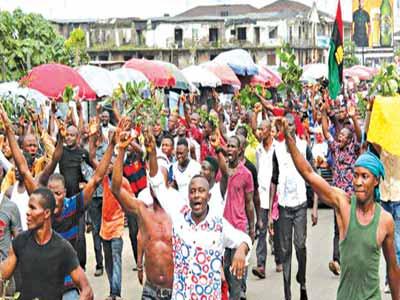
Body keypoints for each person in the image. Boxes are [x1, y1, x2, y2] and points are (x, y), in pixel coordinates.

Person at [283, 118, 400, 300]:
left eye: (365, 176)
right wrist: (289, 139)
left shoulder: (385, 220)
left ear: (376, 180)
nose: (358, 182)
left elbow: (393, 269)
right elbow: (309, 173)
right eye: (355, 175)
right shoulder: (343, 203)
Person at [111, 129, 174, 300]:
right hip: (150, 291)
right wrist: (121, 150)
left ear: (168, 183)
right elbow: (116, 188)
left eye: (159, 181)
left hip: (177, 290)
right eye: (153, 182)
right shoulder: (143, 209)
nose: (155, 185)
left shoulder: (179, 212)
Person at [0, 187, 93, 300]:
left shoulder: (63, 248)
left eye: (33, 208)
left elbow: (87, 290)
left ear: (46, 213)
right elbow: (2, 275)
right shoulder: (20, 242)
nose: (27, 212)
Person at [272, 115, 318, 300]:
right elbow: (274, 180)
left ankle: (303, 281)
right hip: (283, 206)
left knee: (300, 245)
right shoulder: (277, 150)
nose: (288, 127)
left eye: (291, 124)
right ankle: (288, 294)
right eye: (285, 125)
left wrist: (315, 207)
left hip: (300, 205)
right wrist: (270, 213)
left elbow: (313, 177)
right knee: (285, 251)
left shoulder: (304, 147)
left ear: (295, 126)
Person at [321, 103, 361, 275]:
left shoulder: (354, 149)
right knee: (338, 228)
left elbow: (359, 135)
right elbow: (325, 132)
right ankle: (337, 260)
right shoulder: (335, 148)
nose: (340, 137)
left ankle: (351, 260)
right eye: (340, 135)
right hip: (337, 196)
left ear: (349, 139)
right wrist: (323, 113)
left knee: (351, 227)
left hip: (351, 196)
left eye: (344, 135)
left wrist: (353, 118)